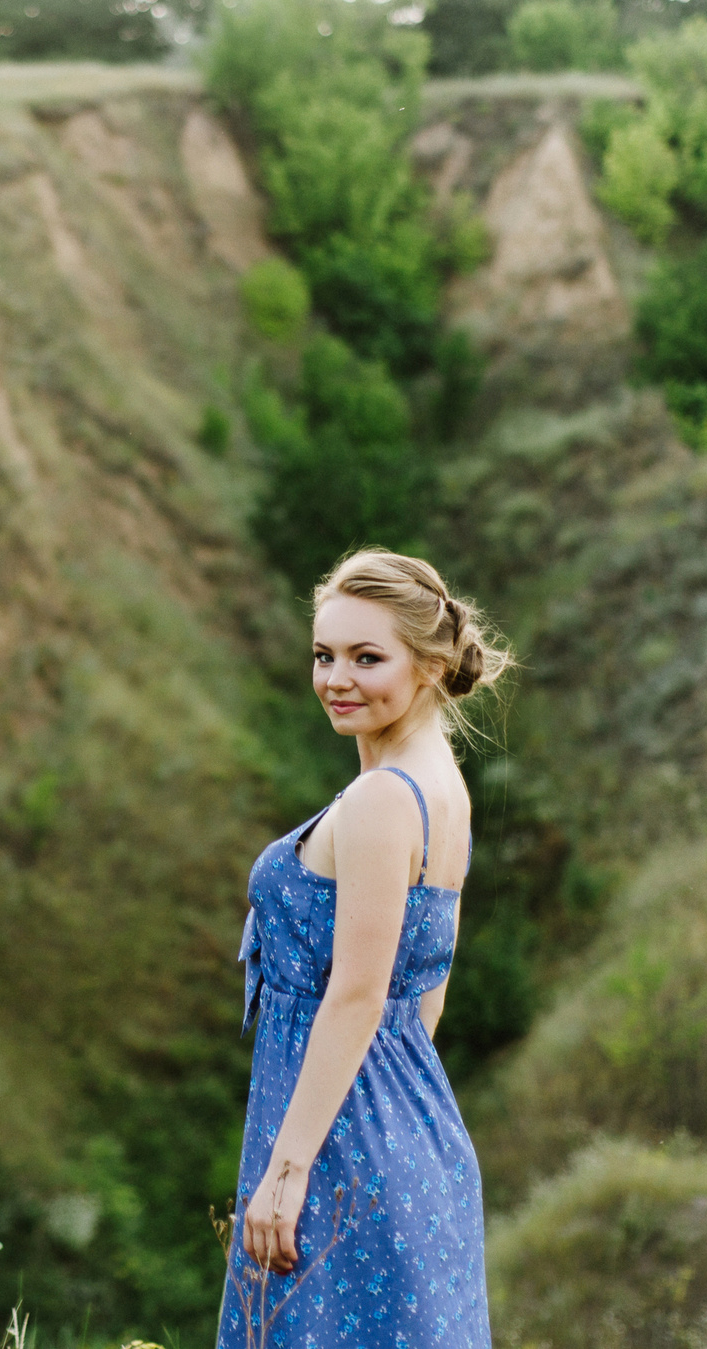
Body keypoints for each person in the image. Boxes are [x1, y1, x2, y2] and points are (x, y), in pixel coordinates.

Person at [218, 548, 512, 1349]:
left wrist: (289, 1171)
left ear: (429, 665)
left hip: (336, 1145)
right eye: (325, 654)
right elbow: (425, 996)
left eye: (366, 657)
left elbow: (360, 992)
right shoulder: (441, 783)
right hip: (404, 1129)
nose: (337, 678)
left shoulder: (384, 797)